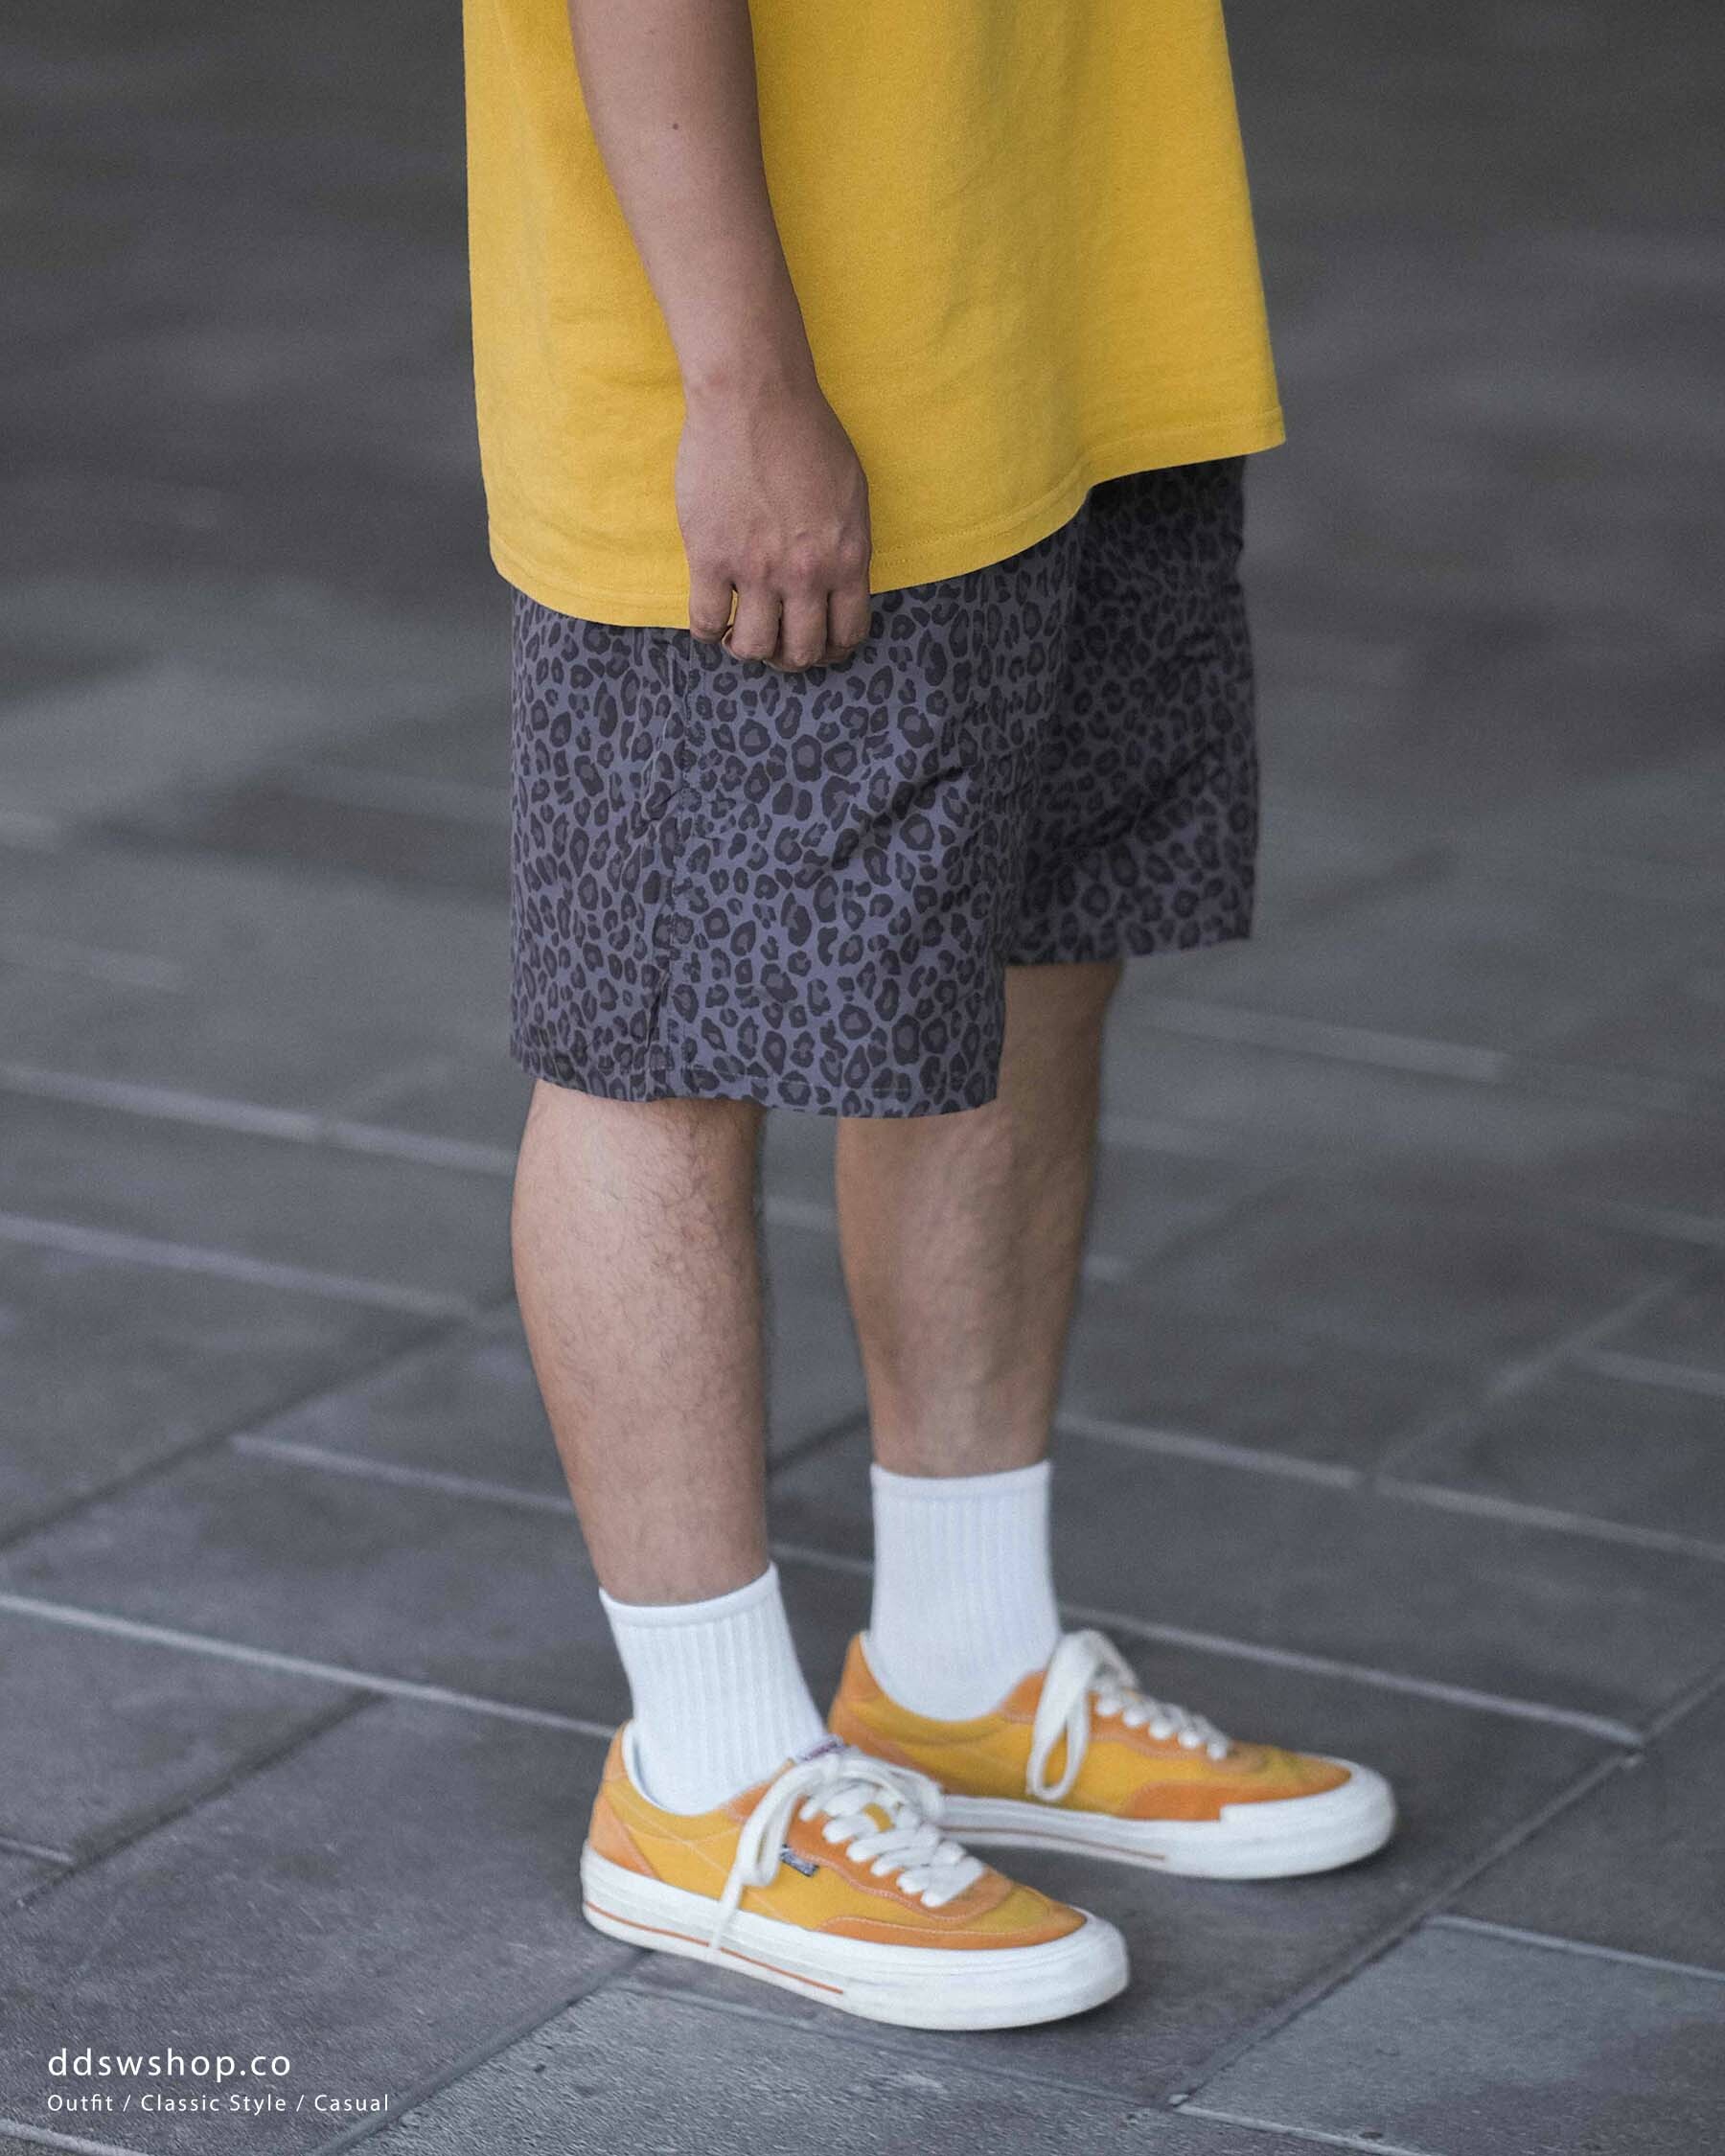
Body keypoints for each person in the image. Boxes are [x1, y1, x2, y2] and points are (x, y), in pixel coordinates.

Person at [461, 0, 1395, 2030]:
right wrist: (743, 379)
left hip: (1064, 299)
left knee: (1035, 953)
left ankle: (967, 1668)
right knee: (664, 1036)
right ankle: (702, 1778)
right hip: (781, 365)